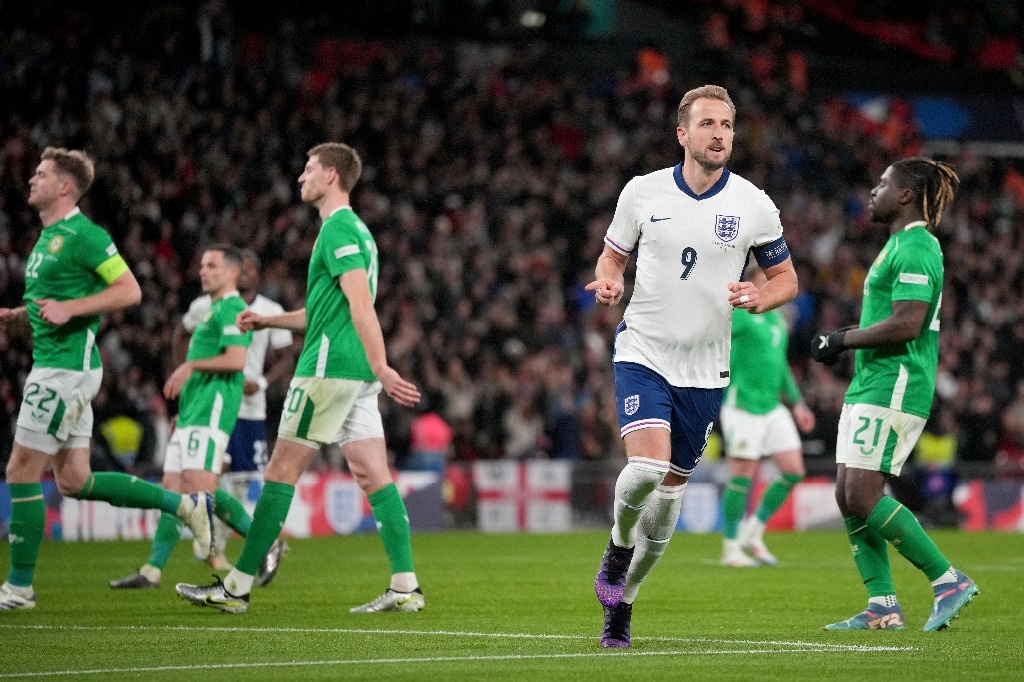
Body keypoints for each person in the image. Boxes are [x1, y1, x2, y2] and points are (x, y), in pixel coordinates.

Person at [585, 85, 798, 647]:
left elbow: (787, 279)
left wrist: (761, 297)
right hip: (645, 350)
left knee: (671, 497)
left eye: (727, 125)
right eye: (707, 124)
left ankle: (624, 603)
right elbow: (614, 253)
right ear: (683, 134)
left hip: (705, 369)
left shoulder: (753, 204)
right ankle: (617, 542)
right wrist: (609, 279)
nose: (719, 133)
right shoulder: (642, 192)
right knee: (647, 472)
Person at [175, 142, 424, 614]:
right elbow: (326, 312)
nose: (300, 177)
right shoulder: (358, 233)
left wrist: (382, 365)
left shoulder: (338, 230)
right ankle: (405, 584)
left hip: (329, 370)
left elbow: (359, 305)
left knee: (280, 472)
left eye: (308, 169)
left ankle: (236, 587)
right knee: (374, 475)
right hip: (351, 373)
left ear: (331, 175)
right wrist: (269, 322)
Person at [0, 147, 215, 610]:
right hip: (58, 363)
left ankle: (18, 588)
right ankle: (184, 506)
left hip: (64, 370)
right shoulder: (48, 238)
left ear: (65, 186)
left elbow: (130, 290)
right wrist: (19, 316)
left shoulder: (84, 235)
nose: (30, 180)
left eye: (41, 174)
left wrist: (71, 310)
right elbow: (53, 303)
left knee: (20, 470)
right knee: (75, 480)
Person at [810, 157, 978, 632]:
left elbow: (908, 323)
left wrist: (841, 338)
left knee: (862, 493)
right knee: (848, 493)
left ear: (906, 195)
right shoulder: (895, 245)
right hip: (871, 382)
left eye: (882, 184)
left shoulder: (919, 247)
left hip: (897, 382)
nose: (873, 191)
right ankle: (882, 606)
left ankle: (948, 579)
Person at [109, 245, 277, 589]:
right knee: (173, 495)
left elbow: (234, 361)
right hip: (191, 414)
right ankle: (152, 570)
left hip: (212, 413)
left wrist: (189, 364)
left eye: (212, 266)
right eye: (201, 265)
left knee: (203, 494)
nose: (203, 271)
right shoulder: (208, 310)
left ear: (232, 272)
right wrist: (182, 413)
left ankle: (266, 544)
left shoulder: (232, 308)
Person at [177, 249, 294, 576]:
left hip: (249, 410)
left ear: (255, 274)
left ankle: (222, 549)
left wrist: (263, 381)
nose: (245, 274)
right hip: (204, 404)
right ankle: (205, 552)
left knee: (238, 484)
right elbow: (180, 334)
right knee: (195, 480)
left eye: (251, 269)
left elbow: (286, 356)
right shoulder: (205, 305)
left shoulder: (270, 311)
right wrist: (183, 374)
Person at [719, 264, 815, 567]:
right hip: (743, 404)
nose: (773, 287)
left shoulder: (776, 319)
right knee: (742, 475)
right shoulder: (743, 315)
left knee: (794, 470)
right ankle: (731, 547)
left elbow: (780, 364)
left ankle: (753, 531)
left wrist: (797, 403)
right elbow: (716, 336)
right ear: (752, 283)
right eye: (766, 281)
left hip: (773, 406)